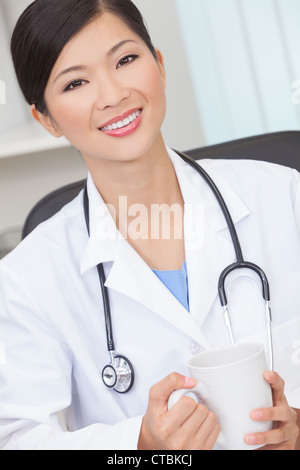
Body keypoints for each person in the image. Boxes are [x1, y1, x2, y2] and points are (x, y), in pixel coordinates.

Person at [0, 0, 299, 450]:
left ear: (159, 64)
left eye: (126, 59)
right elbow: (16, 437)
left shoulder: (284, 196)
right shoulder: (27, 279)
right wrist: (137, 445)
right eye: (76, 82)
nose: (113, 94)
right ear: (45, 118)